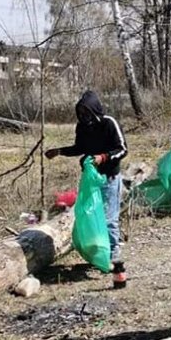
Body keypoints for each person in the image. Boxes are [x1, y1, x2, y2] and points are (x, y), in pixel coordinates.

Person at [45, 90, 128, 263]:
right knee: (90, 214)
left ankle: (113, 251)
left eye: (86, 111)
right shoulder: (82, 127)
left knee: (109, 217)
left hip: (110, 177)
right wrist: (59, 151)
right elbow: (79, 148)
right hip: (91, 179)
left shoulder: (108, 123)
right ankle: (97, 247)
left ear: (94, 109)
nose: (83, 115)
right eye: (80, 112)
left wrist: (103, 157)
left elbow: (122, 149)